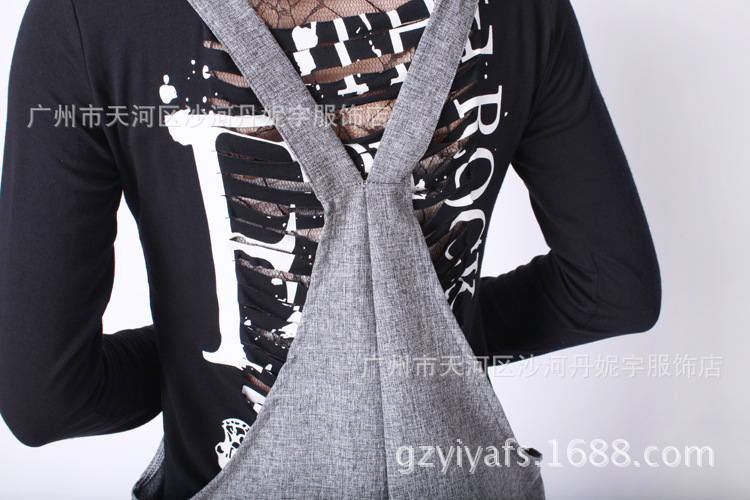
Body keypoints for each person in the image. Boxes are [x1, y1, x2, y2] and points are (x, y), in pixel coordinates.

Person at [0, 0, 661, 498]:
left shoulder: (91, 17)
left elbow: (45, 397)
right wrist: (419, 344)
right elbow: (613, 289)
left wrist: (201, 359)